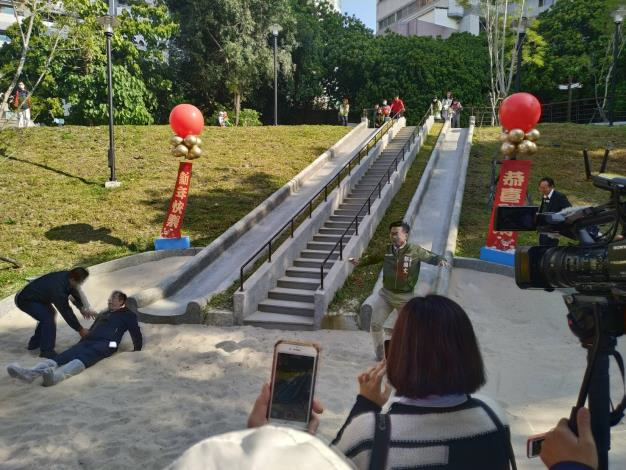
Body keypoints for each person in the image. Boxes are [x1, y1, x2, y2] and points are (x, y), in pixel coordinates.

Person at [332, 295, 513, 469]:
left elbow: (325, 461)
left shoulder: (368, 436)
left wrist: (365, 405)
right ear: (467, 352)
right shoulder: (494, 418)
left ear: (400, 355)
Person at [352, 221, 449, 360]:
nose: (393, 236)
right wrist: (359, 262)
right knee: (375, 324)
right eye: (391, 234)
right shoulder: (387, 250)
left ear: (405, 235)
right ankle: (380, 355)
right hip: (386, 295)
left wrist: (440, 259)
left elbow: (431, 256)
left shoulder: (415, 250)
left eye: (396, 233)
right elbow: (372, 258)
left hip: (405, 298)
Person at [7, 290, 142, 386]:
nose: (109, 300)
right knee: (64, 356)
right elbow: (93, 327)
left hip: (110, 343)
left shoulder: (128, 315)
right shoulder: (104, 313)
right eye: (110, 298)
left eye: (114, 298)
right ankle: (30, 374)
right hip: (89, 340)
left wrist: (137, 349)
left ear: (121, 302)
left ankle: (55, 378)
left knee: (83, 357)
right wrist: (84, 339)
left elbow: (135, 332)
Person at [14, 267, 96, 358]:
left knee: (49, 314)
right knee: (47, 317)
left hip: (36, 297)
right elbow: (66, 311)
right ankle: (47, 352)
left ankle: (34, 343)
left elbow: (74, 291)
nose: (80, 284)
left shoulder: (68, 276)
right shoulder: (58, 289)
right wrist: (80, 329)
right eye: (80, 282)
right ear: (73, 279)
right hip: (25, 300)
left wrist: (81, 308)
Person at [538, 177, 571, 246]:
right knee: (542, 247)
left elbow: (569, 210)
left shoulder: (559, 196)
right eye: (540, 188)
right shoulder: (544, 196)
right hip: (543, 228)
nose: (542, 190)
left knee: (550, 248)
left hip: (553, 229)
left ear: (551, 187)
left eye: (544, 188)